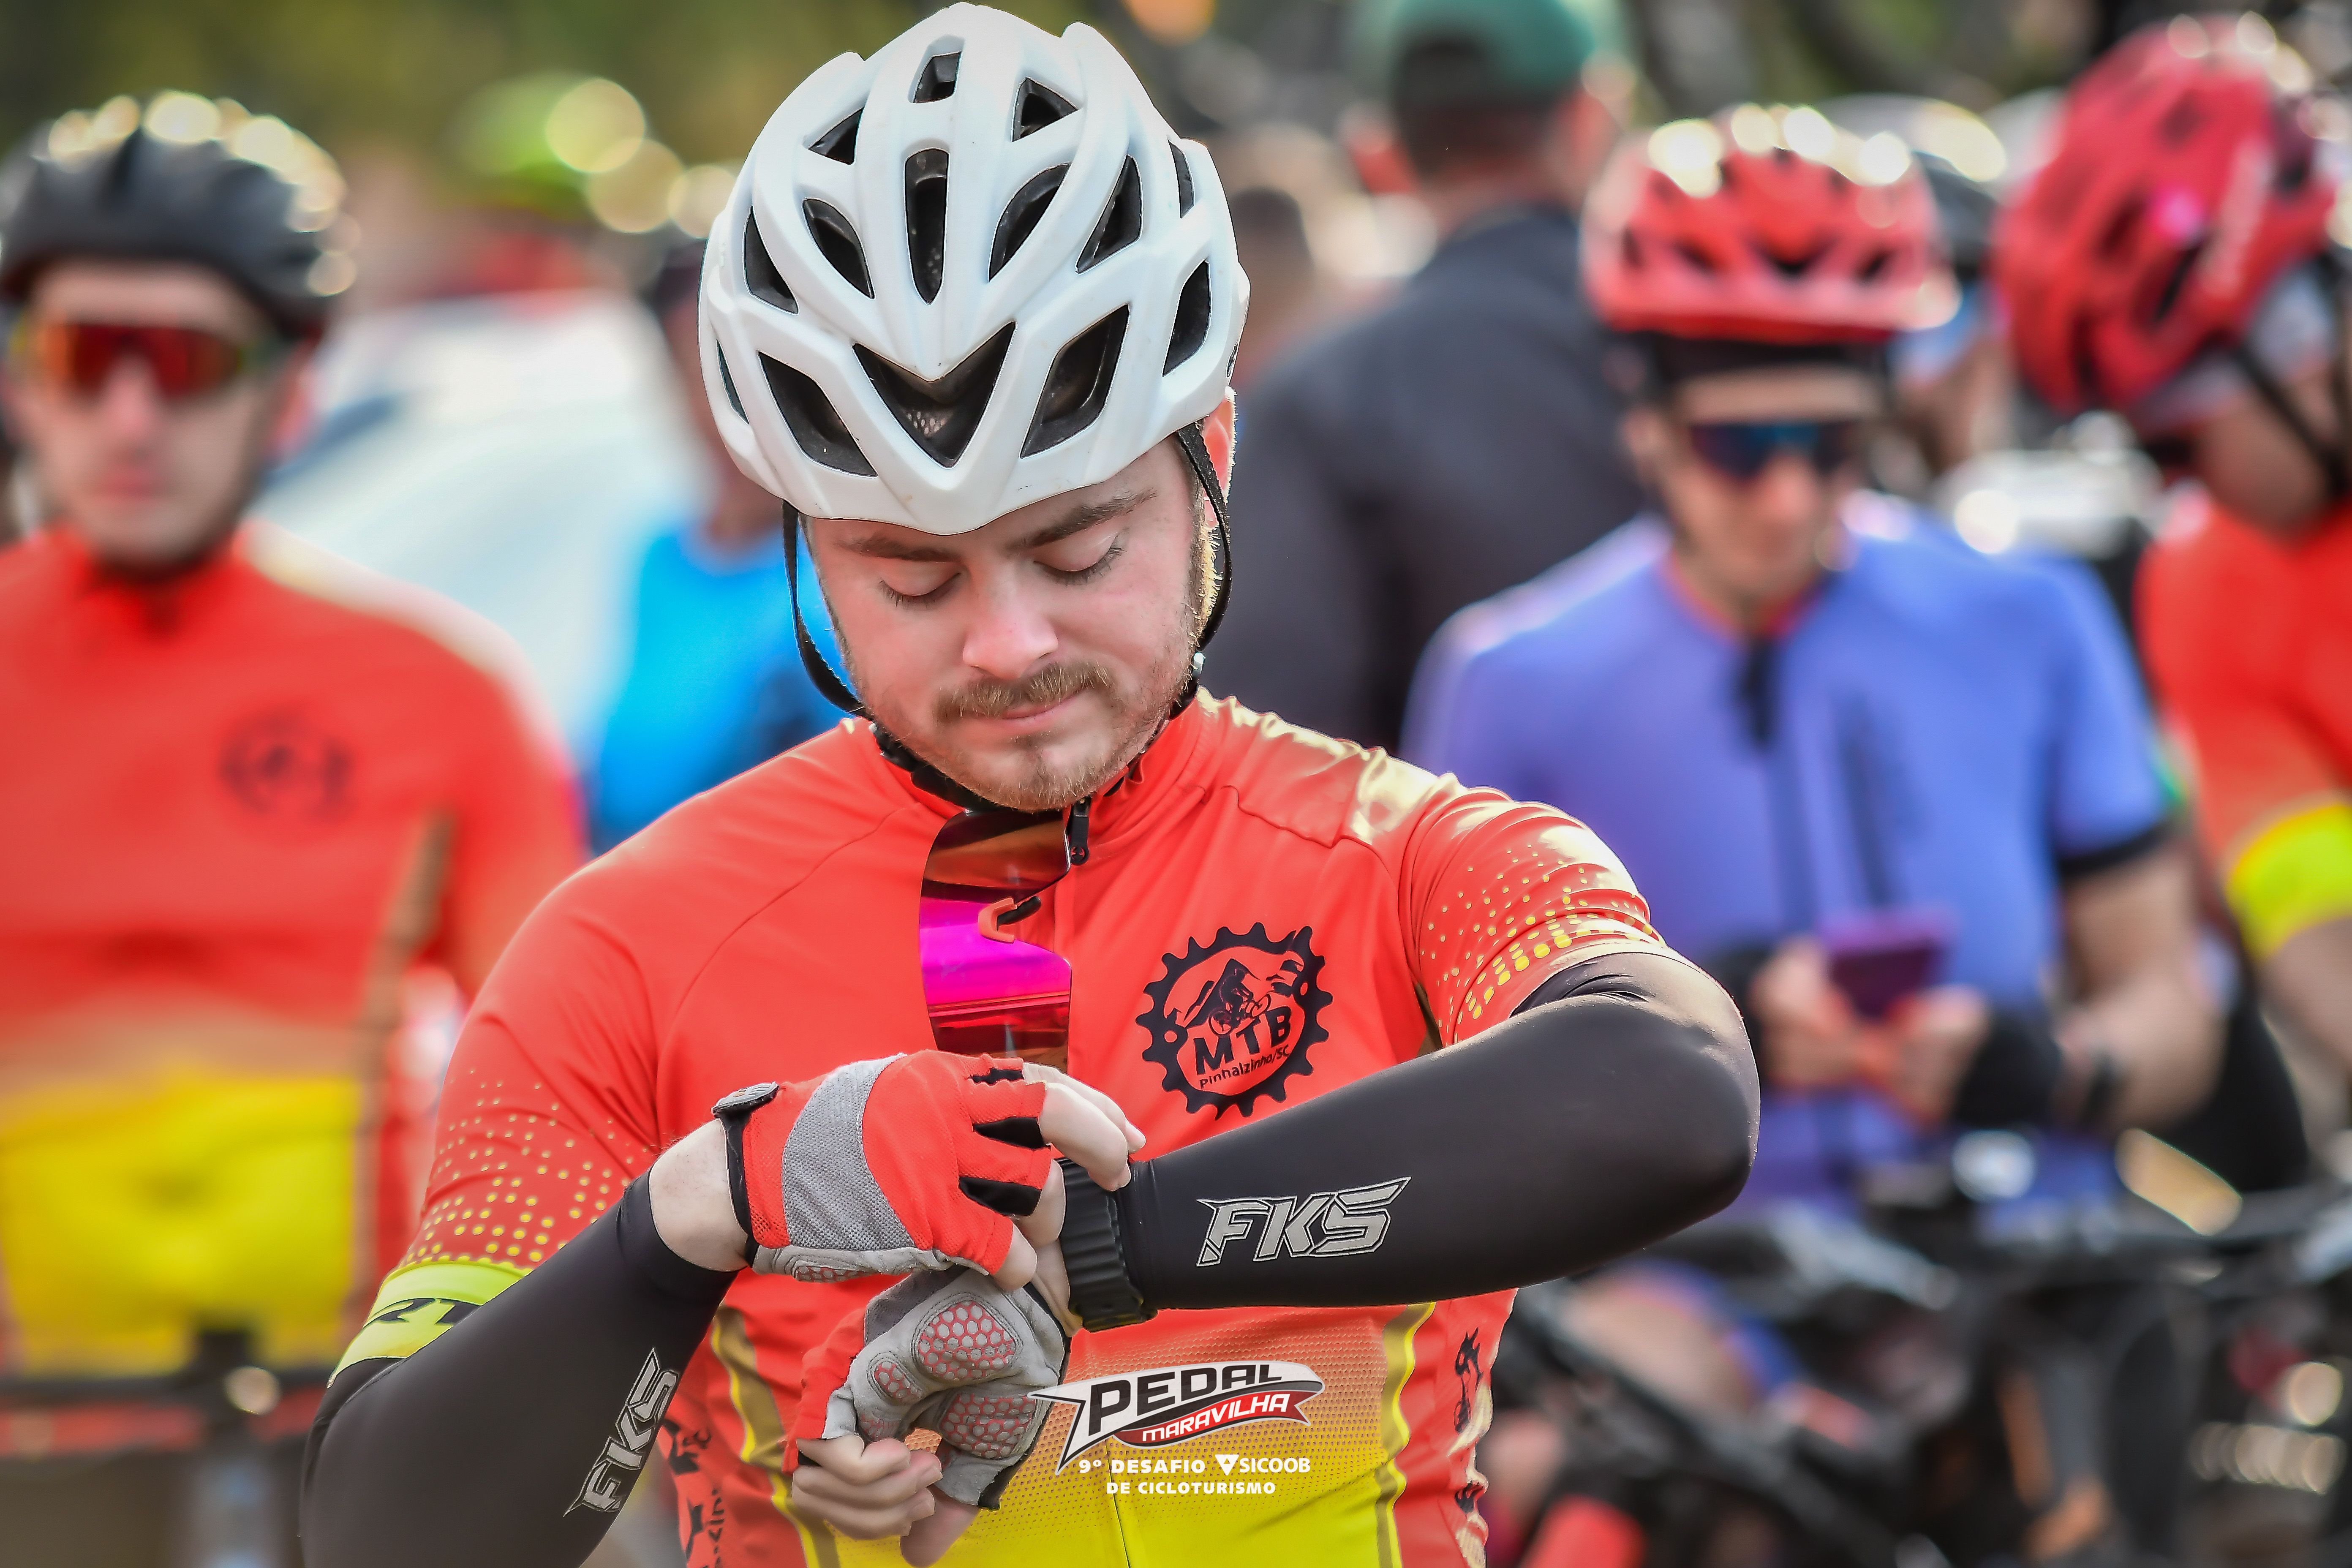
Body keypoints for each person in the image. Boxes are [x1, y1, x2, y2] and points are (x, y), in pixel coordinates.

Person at [297, 11, 1757, 1568]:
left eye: (1078, 548)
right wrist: (699, 1210)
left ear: (1211, 453)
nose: (1008, 643)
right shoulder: (627, 952)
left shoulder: (1412, 861)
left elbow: (1669, 1094)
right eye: (910, 577)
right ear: (802, 543)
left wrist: (1114, 1238)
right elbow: (387, 1534)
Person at [1412, 104, 2221, 1557]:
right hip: (1703, 1276)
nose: (1787, 497)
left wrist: (2049, 1064)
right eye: (1739, 447)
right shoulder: (1512, 679)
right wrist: (1689, 1030)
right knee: (1575, 1482)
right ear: (1642, 414)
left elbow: (2171, 1001)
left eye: (1831, 444)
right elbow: (1441, 1084)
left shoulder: (2028, 619)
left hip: (2016, 1253)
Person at [0, 95, 583, 1564]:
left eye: (185, 363)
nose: (130, 418)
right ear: (21, 377)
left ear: (294, 386)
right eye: (83, 357)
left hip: (343, 1452)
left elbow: (574, 1095)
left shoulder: (440, 697)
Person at [1993, 12, 2352, 1073]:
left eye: (2173, 437)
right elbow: (2314, 917)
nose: (2168, 484)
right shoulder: (2206, 588)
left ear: (2294, 334)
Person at [1207, 0, 1638, 751]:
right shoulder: (1704, 355)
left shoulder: (1315, 397)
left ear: (1379, 155)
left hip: (1448, 825)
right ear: (1591, 121)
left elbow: (1276, 734)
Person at [590, 244, 846, 849]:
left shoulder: (855, 567)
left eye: (761, 373)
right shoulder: (661, 559)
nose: (739, 410)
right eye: (707, 374)